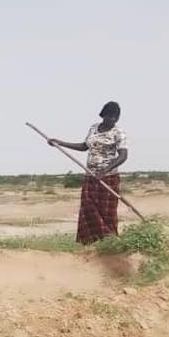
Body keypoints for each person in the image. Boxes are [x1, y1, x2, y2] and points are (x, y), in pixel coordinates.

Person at [47, 101, 130, 244]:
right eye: (109, 116)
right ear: (103, 115)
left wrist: (104, 171)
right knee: (88, 207)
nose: (112, 119)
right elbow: (84, 146)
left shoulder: (119, 133)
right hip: (90, 176)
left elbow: (123, 156)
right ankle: (88, 241)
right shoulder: (93, 129)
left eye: (115, 117)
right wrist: (59, 143)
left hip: (108, 177)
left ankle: (108, 241)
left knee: (106, 211)